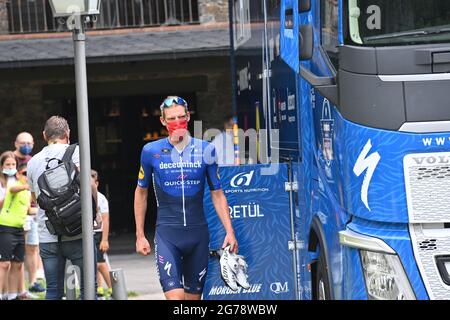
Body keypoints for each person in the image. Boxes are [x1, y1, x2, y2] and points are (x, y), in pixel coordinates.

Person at [134, 96, 238, 300]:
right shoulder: (150, 151)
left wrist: (230, 231)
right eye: (171, 118)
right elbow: (141, 192)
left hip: (198, 235)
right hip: (167, 235)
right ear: (163, 121)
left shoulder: (206, 150)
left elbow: (217, 194)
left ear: (189, 117)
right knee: (176, 299)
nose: (177, 122)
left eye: (181, 117)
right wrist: (139, 234)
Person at [27, 116, 97, 300]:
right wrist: (94, 213)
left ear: (44, 135)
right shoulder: (77, 152)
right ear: (67, 133)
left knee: (53, 291)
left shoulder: (33, 161)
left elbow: (35, 198)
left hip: (48, 235)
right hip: (78, 232)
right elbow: (90, 185)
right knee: (88, 290)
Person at [13, 132, 45, 294]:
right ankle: (18, 287)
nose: (26, 145)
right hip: (17, 212)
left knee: (33, 247)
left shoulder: (33, 161)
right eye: (23, 142)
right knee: (18, 250)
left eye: (29, 142)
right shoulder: (9, 161)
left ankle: (33, 282)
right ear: (15, 143)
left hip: (33, 210)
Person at [0, 152, 35, 300]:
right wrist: (28, 186)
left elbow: (28, 208)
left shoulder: (21, 183)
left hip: (20, 227)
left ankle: (13, 294)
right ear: (1, 166)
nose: (10, 167)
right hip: (5, 226)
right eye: (7, 164)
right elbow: (12, 190)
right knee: (4, 264)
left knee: (18, 264)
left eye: (13, 164)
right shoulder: (16, 186)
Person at [91, 169, 113, 299]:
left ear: (97, 183)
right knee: (92, 263)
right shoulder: (83, 196)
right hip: (89, 234)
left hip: (98, 234)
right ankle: (98, 289)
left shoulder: (101, 198)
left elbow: (105, 219)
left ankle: (112, 288)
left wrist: (105, 239)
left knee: (100, 263)